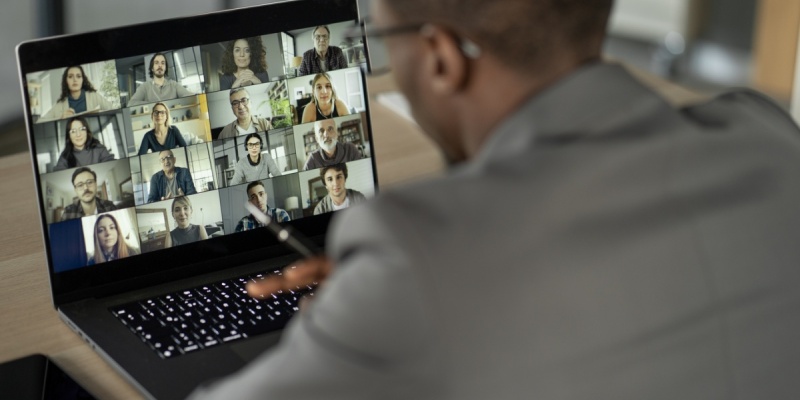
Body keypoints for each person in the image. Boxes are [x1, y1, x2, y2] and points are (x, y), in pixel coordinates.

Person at [190, 0, 800, 399]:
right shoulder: (769, 137)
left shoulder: (415, 256)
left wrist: (378, 306)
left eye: (380, 35)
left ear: (441, 59)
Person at [38, 65, 114, 123]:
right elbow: (40, 121)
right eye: (70, 77)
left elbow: (112, 110)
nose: (75, 80)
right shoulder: (60, 104)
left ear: (82, 80)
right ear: (66, 81)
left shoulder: (94, 96)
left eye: (78, 76)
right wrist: (61, 118)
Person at [128, 52, 194, 106]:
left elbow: (190, 97)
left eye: (163, 63)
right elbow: (131, 103)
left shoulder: (174, 85)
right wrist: (154, 105)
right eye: (156, 63)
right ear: (152, 68)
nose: (160, 65)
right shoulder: (144, 87)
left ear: (165, 68)